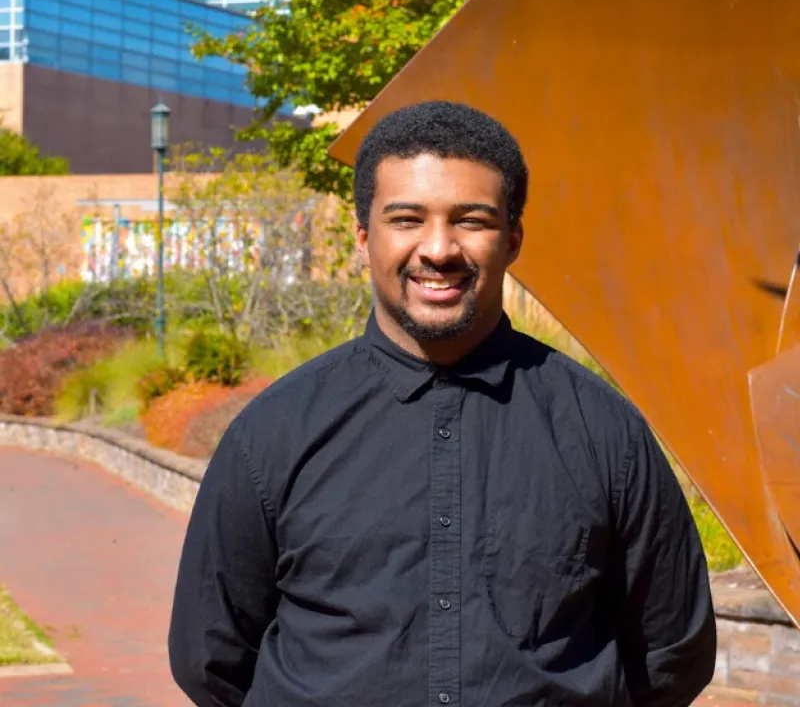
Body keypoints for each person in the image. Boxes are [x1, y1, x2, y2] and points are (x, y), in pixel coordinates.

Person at [168, 100, 717, 706]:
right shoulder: (272, 435)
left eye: (471, 220)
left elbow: (671, 655)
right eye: (406, 219)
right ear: (363, 237)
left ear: (512, 240)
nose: (439, 249)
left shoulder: (604, 433)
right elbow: (211, 659)